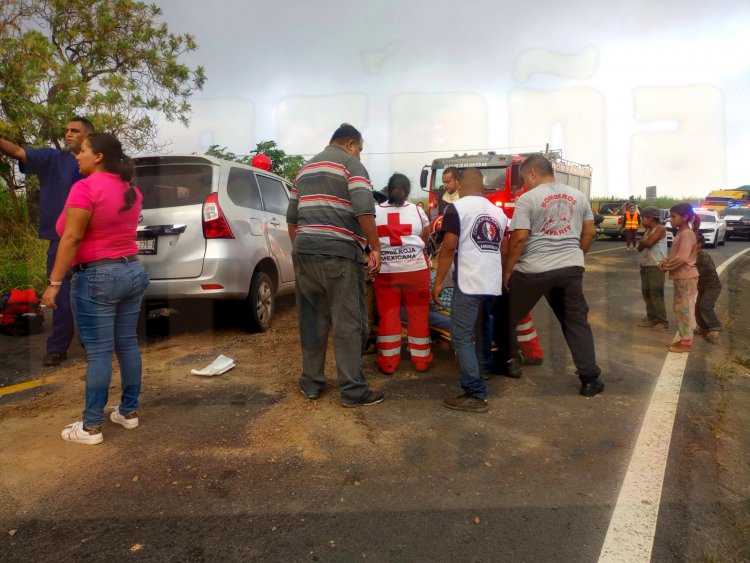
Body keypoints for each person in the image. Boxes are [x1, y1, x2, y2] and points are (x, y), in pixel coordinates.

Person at [40, 133, 149, 445]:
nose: (78, 155)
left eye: (83, 150)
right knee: (127, 344)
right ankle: (128, 412)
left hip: (99, 276)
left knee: (100, 351)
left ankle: (90, 428)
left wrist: (54, 283)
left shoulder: (85, 188)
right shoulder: (132, 190)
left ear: (98, 156)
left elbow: (70, 238)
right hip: (132, 270)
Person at [286, 123, 384, 407]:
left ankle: (311, 383)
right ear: (351, 144)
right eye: (361, 150)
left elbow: (292, 218)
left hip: (304, 253)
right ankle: (353, 390)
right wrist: (374, 247)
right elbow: (364, 209)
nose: (361, 156)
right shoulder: (351, 165)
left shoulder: (304, 169)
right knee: (350, 324)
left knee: (311, 321)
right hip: (340, 255)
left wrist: (300, 248)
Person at [502, 154, 604, 397]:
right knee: (576, 322)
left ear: (532, 173)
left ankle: (509, 362)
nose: (524, 184)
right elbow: (589, 233)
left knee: (505, 314)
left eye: (524, 178)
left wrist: (508, 271)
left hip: (533, 270)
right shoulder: (579, 197)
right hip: (570, 270)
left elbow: (518, 238)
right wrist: (576, 257)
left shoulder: (527, 199)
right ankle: (590, 379)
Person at [0, 117, 94, 366]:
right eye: (66, 131)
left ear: (89, 137)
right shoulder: (53, 160)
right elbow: (18, 151)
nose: (68, 134)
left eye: (75, 131)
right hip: (60, 241)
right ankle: (57, 347)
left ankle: (93, 342)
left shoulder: (100, 163)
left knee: (93, 294)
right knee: (60, 294)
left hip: (94, 240)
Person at [432, 168, 508, 413]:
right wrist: (504, 275)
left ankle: (475, 392)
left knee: (462, 335)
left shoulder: (457, 208)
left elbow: (448, 248)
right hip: (491, 282)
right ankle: (482, 370)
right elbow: (503, 248)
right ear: (483, 187)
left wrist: (438, 281)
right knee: (483, 328)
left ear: (462, 187)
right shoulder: (499, 212)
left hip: (468, 281)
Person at [374, 173, 431, 374]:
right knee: (418, 314)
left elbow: (368, 240)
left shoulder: (374, 212)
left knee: (388, 315)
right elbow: (426, 234)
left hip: (387, 273)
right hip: (416, 270)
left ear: (388, 190)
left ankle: (388, 363)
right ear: (407, 192)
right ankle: (422, 360)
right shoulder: (417, 210)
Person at [659, 203, 700, 353]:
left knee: (684, 309)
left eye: (674, 216)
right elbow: (676, 255)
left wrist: (667, 267)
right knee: (680, 309)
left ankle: (686, 342)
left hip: (686, 277)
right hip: (682, 277)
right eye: (670, 216)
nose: (671, 219)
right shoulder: (681, 233)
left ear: (685, 217)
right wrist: (667, 261)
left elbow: (682, 258)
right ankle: (684, 339)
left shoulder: (686, 234)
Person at [636, 206, 669, 331]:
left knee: (656, 294)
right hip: (646, 266)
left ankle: (662, 321)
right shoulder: (648, 231)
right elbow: (640, 247)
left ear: (651, 218)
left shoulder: (659, 229)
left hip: (656, 266)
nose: (642, 221)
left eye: (643, 218)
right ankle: (652, 318)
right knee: (647, 294)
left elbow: (647, 243)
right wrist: (645, 241)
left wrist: (645, 241)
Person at [694, 234, 722, 341]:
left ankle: (715, 327)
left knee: (705, 306)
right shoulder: (693, 255)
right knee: (697, 308)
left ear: (699, 244)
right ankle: (704, 328)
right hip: (703, 286)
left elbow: (708, 269)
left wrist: (693, 270)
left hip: (712, 286)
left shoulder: (703, 255)